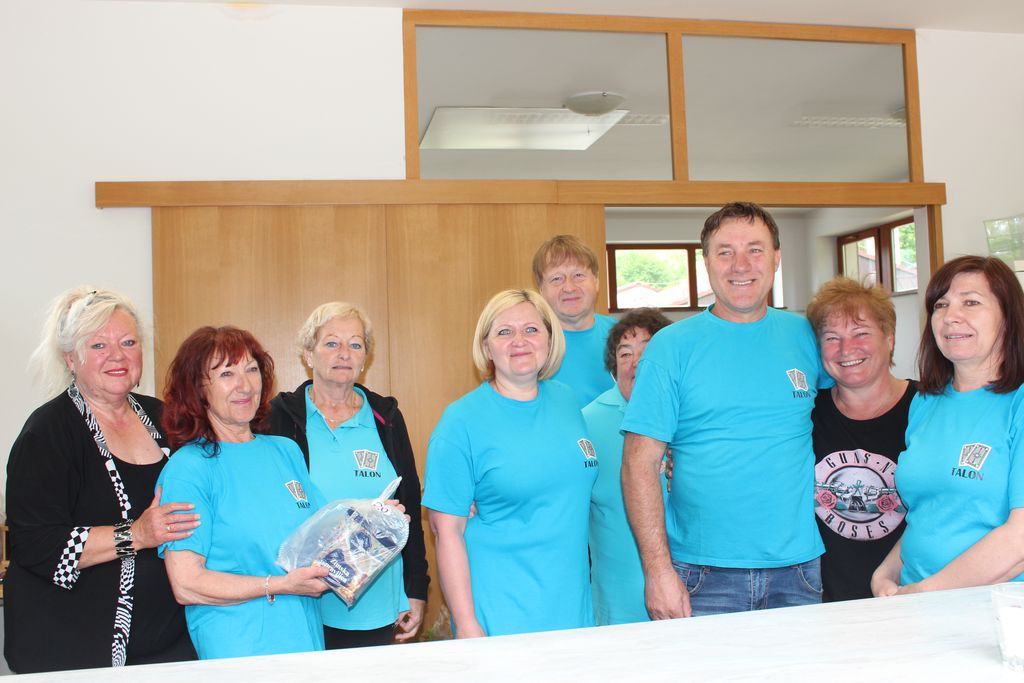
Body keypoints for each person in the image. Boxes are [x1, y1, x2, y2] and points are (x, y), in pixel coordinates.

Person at [621, 201, 826, 619]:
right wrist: (657, 571)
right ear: (707, 262)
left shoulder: (806, 335)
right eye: (725, 252)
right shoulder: (671, 347)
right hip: (701, 575)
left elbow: (851, 411)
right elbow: (638, 465)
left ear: (776, 258)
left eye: (755, 250)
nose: (741, 265)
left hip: (798, 571)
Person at [4, 287, 199, 673]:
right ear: (70, 359)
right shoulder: (46, 433)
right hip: (74, 652)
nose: (117, 356)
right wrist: (136, 534)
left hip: (171, 645)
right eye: (98, 345)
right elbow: (37, 546)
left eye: (128, 342)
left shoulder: (165, 418)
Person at [423, 289, 597, 637]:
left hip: (572, 605)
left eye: (531, 329)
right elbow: (447, 532)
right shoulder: (460, 421)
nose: (520, 341)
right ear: (486, 347)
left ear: (549, 338)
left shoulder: (565, 400)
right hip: (499, 610)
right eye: (504, 332)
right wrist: (467, 623)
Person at [157, 326, 330, 660]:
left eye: (251, 369)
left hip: (304, 638)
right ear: (198, 389)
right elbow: (187, 583)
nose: (245, 385)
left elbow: (324, 531)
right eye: (226, 374)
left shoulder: (285, 451)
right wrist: (277, 585)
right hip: (239, 648)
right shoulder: (189, 469)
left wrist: (375, 520)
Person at [267, 302, 429, 648]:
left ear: (365, 358)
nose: (344, 353)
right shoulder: (279, 417)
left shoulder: (386, 417)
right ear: (308, 353)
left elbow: (410, 508)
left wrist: (417, 588)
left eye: (355, 344)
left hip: (377, 602)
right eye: (331, 343)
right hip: (303, 600)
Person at [872, 256, 1024, 596]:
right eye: (940, 305)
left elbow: (1020, 540)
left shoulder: (1018, 402)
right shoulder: (926, 402)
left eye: (971, 302)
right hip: (917, 602)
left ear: (1008, 316)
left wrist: (927, 592)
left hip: (995, 610)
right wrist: (887, 572)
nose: (951, 316)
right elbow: (930, 514)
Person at [805, 277, 913, 601]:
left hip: (908, 596)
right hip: (822, 602)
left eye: (861, 333)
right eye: (831, 338)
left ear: (889, 339)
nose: (846, 349)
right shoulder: (806, 413)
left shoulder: (927, 408)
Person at [584, 307, 671, 625]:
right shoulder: (587, 424)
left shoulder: (693, 415)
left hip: (697, 594)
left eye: (647, 350)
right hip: (617, 604)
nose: (636, 363)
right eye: (625, 354)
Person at [533, 234, 616, 408]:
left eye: (578, 275)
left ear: (596, 281)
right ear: (541, 289)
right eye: (557, 278)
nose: (569, 287)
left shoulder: (622, 336)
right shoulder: (528, 344)